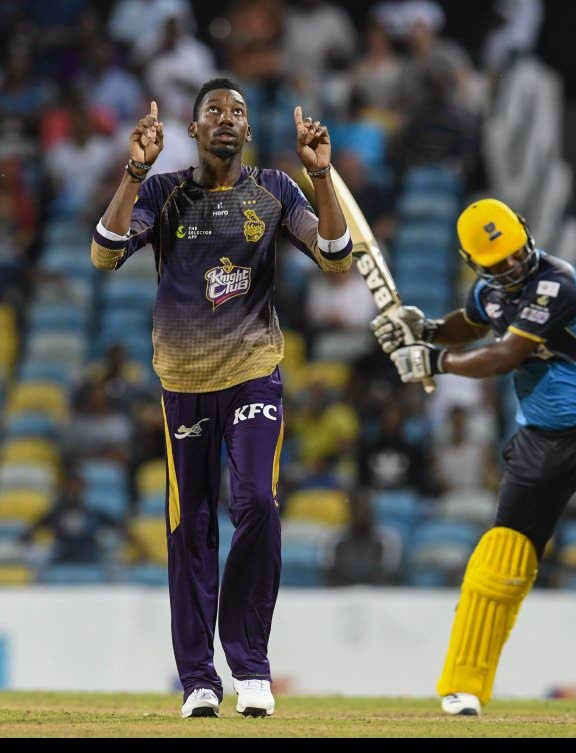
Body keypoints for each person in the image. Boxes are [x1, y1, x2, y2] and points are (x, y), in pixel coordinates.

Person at [90, 77, 351, 719]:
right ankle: (199, 680)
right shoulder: (162, 190)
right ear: (194, 128)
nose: (226, 118)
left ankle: (252, 667)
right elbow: (103, 254)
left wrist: (322, 177)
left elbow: (337, 259)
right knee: (193, 528)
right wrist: (132, 170)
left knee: (257, 501)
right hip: (182, 386)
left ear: (248, 130)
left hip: (253, 373)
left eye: (237, 110)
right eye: (214, 111)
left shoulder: (276, 188)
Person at [371, 198, 576, 718]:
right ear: (474, 263)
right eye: (496, 263)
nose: (511, 267)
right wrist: (425, 327)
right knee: (500, 563)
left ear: (528, 236)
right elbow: (473, 320)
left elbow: (504, 355)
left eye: (516, 255)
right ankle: (462, 685)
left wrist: (435, 360)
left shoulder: (557, 283)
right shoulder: (490, 291)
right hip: (539, 441)